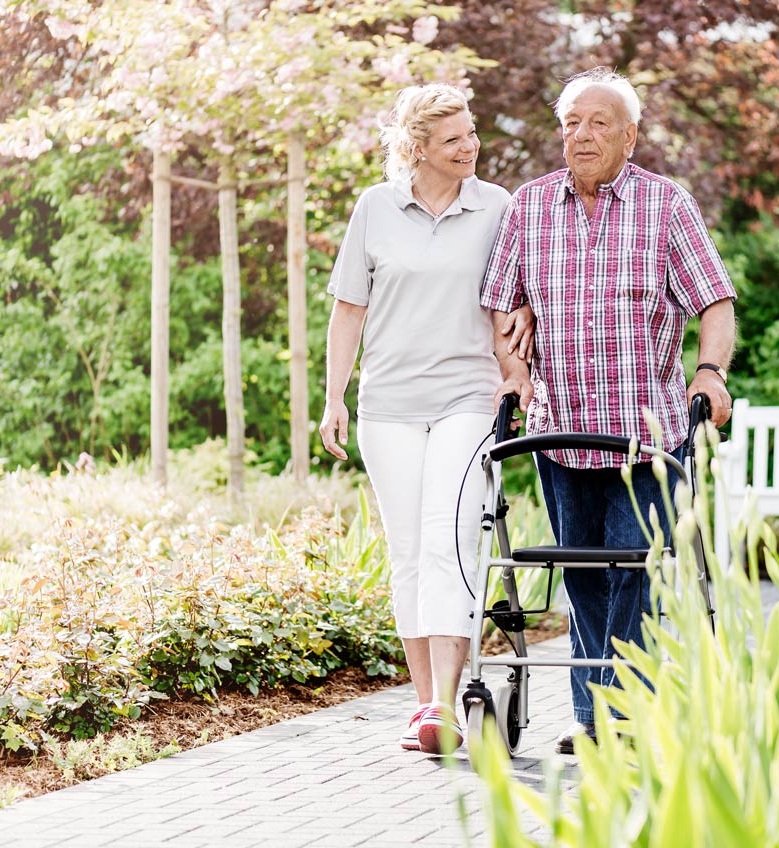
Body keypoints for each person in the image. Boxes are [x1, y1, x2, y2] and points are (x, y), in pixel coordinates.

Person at [480, 68, 738, 755]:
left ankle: (624, 715)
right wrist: (514, 371)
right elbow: (499, 303)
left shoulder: (667, 206)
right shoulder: (529, 207)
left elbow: (714, 301)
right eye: (571, 123)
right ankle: (596, 719)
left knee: (638, 569)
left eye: (598, 123)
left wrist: (709, 372)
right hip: (560, 432)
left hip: (645, 434)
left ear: (630, 135)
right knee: (585, 576)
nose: (582, 135)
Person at [321, 84, 532, 756]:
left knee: (449, 542)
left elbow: (512, 307)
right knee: (409, 551)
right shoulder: (375, 208)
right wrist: (335, 400)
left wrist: (519, 370)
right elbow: (349, 309)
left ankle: (446, 702)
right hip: (387, 405)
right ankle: (424, 708)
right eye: (454, 140)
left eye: (471, 134)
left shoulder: (496, 207)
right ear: (417, 149)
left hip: (468, 397)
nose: (470, 146)